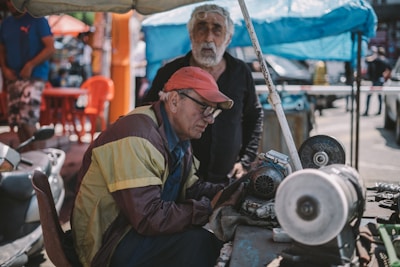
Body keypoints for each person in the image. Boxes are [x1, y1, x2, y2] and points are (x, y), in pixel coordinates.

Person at [71, 66, 244, 267]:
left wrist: (228, 191)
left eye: (213, 111)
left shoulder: (179, 137)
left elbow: (189, 189)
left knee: (210, 240)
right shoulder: (137, 137)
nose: (210, 119)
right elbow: (148, 217)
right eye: (204, 107)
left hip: (130, 228)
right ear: (174, 101)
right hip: (108, 243)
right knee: (201, 245)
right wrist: (208, 208)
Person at [142, 4, 264, 184]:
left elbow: (254, 115)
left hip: (227, 178)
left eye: (217, 30)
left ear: (228, 38)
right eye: (201, 28)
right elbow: (148, 118)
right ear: (191, 35)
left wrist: (245, 161)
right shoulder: (169, 73)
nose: (208, 38)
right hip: (176, 180)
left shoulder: (240, 72)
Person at [0, 0, 54, 145]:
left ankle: (41, 158)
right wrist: (4, 68)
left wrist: (30, 65)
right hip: (13, 77)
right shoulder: (6, 24)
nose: (10, 4)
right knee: (17, 121)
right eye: (8, 2)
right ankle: (28, 158)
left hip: (35, 76)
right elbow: (2, 48)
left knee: (27, 118)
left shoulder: (38, 19)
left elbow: (50, 47)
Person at [363, 46, 391, 116]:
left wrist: (373, 56)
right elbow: (390, 69)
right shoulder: (386, 60)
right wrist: (385, 75)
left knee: (369, 95)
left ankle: (367, 111)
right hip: (381, 79)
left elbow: (367, 60)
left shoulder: (377, 59)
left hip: (375, 80)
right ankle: (379, 111)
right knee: (379, 96)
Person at [131, 31, 148, 107]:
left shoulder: (143, 46)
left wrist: (136, 65)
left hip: (139, 74)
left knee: (138, 96)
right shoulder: (132, 45)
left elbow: (146, 61)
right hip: (132, 74)